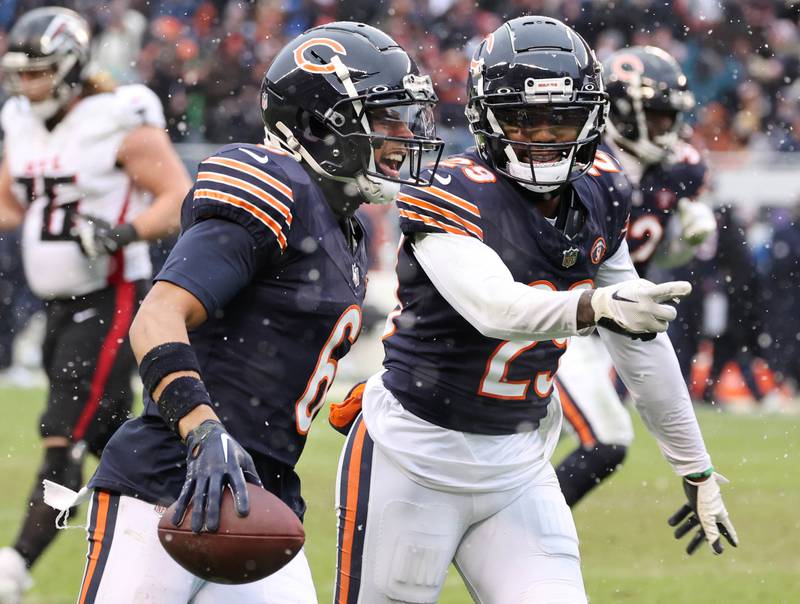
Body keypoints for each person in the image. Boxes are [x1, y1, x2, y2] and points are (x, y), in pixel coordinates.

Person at [333, 18, 736, 604]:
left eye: (562, 118)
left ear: (593, 117)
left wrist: (694, 466)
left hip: (518, 467)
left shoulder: (603, 189)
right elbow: (495, 308)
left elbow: (641, 345)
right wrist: (599, 304)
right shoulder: (450, 187)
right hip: (410, 457)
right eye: (524, 118)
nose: (544, 135)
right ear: (487, 116)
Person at [68, 22, 443, 603]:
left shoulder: (345, 229)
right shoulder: (274, 183)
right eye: (386, 119)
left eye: (404, 118)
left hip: (262, 503)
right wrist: (203, 434)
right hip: (170, 481)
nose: (402, 137)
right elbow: (157, 317)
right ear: (322, 124)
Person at [0, 8, 190, 603]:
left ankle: (15, 565)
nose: (27, 86)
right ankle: (188, 521)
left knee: (67, 436)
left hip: (110, 295)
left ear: (72, 65)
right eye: (20, 74)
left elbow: (176, 194)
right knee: (117, 444)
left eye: (40, 72)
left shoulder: (117, 116)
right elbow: (11, 201)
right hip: (56, 301)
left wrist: (123, 232)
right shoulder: (21, 121)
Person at [553, 46, 719, 507]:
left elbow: (636, 246)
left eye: (672, 116)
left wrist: (680, 238)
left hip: (608, 326)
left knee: (583, 440)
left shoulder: (680, 167)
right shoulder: (584, 163)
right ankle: (519, 528)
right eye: (659, 115)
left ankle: (523, 527)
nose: (669, 129)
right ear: (623, 110)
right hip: (557, 317)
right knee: (600, 438)